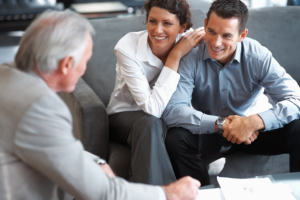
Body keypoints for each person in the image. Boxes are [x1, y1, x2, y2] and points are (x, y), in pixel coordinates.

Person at [0, 10, 201, 200]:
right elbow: (104, 192)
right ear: (67, 64)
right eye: (85, 61)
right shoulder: (41, 107)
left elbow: (55, 148)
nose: (85, 69)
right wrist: (166, 193)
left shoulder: (6, 75)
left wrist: (96, 162)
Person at [162, 0, 300, 186]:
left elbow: (296, 98)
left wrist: (255, 121)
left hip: (254, 132)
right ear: (204, 24)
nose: (216, 43)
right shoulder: (190, 55)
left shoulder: (257, 56)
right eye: (211, 31)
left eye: (226, 35)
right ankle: (203, 196)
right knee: (176, 138)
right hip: (211, 129)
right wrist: (224, 124)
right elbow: (173, 110)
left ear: (242, 35)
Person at [106, 0, 205, 185]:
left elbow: (224, 43)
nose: (158, 30)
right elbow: (152, 109)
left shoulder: (190, 41)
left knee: (176, 131)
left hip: (167, 116)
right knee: (151, 122)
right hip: (124, 116)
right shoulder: (127, 46)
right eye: (153, 21)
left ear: (182, 27)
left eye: (167, 23)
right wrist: (175, 55)